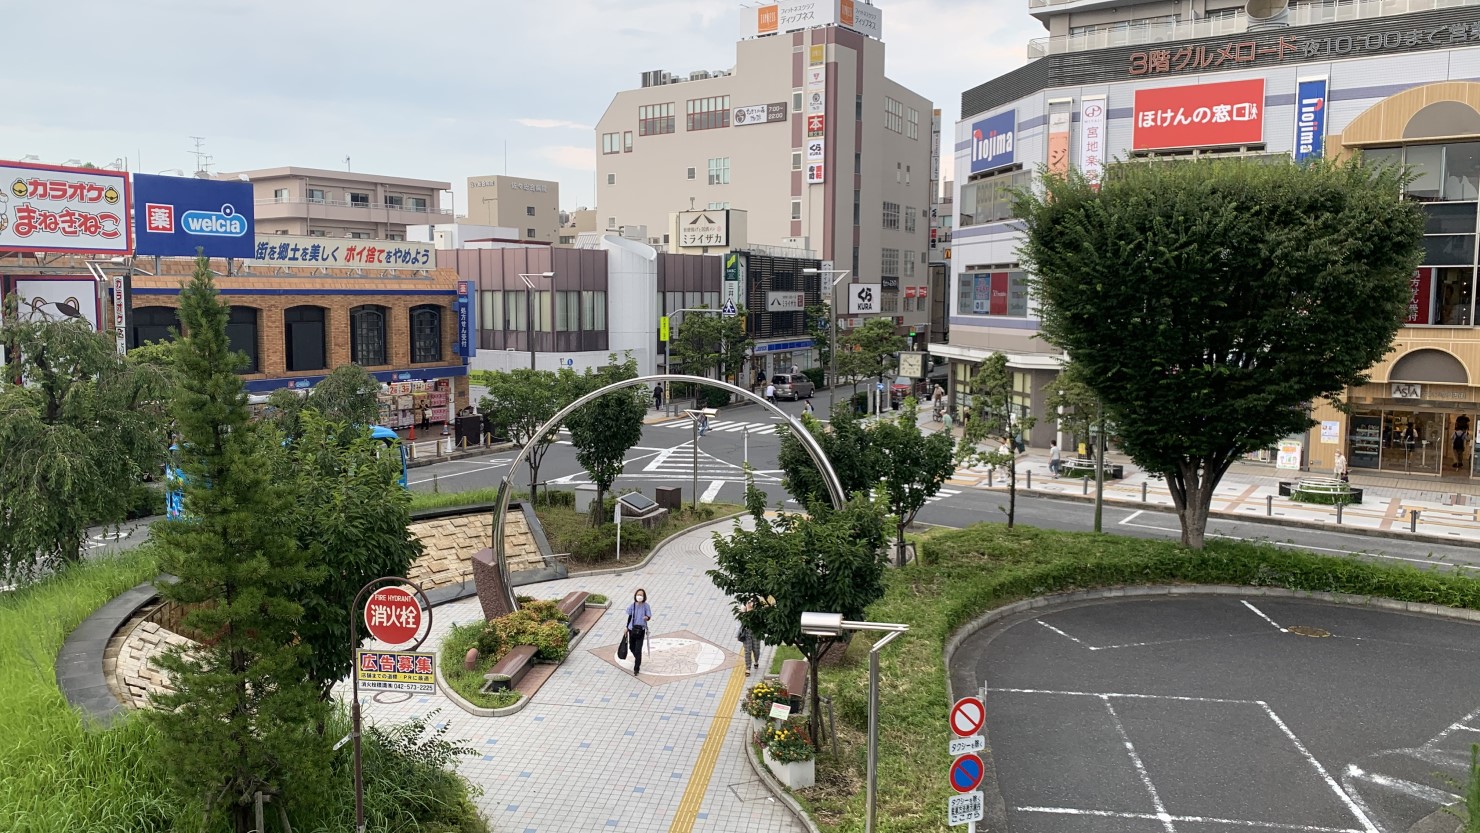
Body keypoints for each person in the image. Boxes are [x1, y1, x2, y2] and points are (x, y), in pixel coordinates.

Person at [625, 589, 652, 675]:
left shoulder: (646, 606)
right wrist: (626, 627)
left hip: (641, 630)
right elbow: (629, 616)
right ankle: (638, 658)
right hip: (632, 629)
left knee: (638, 649)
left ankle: (636, 668)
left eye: (641, 595)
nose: (639, 596)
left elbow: (649, 615)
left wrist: (646, 618)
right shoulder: (632, 606)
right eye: (638, 594)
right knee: (632, 647)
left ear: (644, 597)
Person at [737, 602, 761, 673]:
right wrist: (744, 611)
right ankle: (748, 668)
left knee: (756, 649)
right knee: (747, 651)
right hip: (746, 633)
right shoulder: (743, 608)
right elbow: (741, 620)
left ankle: (756, 661)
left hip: (756, 632)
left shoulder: (758, 609)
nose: (750, 604)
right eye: (748, 602)